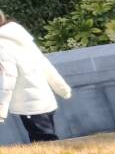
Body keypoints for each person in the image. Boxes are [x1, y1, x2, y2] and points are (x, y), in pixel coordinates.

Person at [0, 10, 72, 142]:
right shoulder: (20, 38)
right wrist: (62, 89)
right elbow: (45, 64)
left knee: (45, 143)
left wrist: (1, 110)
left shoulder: (2, 45)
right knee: (48, 140)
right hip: (45, 99)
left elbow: (8, 78)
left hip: (29, 105)